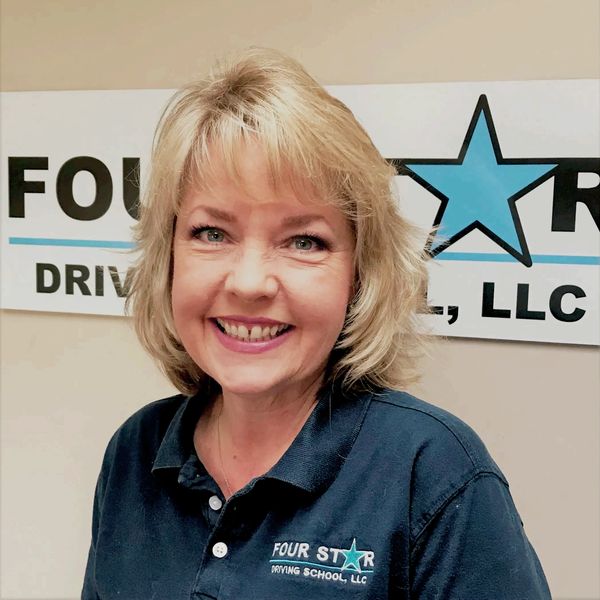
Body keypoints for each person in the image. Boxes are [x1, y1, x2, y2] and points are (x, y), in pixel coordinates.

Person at [82, 48, 551, 599]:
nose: (249, 283)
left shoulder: (433, 472)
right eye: (212, 233)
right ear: (168, 258)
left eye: (304, 241)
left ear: (359, 274)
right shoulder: (135, 450)